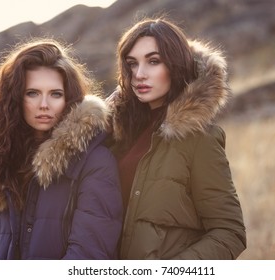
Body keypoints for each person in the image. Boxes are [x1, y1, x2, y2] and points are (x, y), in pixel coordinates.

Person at [0, 38, 123, 259]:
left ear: (69, 98)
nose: (44, 104)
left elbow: (89, 255)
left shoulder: (95, 161)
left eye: (55, 94)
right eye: (32, 93)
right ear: (15, 97)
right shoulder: (1, 158)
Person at [107, 17, 246, 259]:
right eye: (132, 64)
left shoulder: (199, 138)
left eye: (153, 61)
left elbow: (230, 233)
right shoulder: (118, 130)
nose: (139, 74)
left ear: (175, 64)